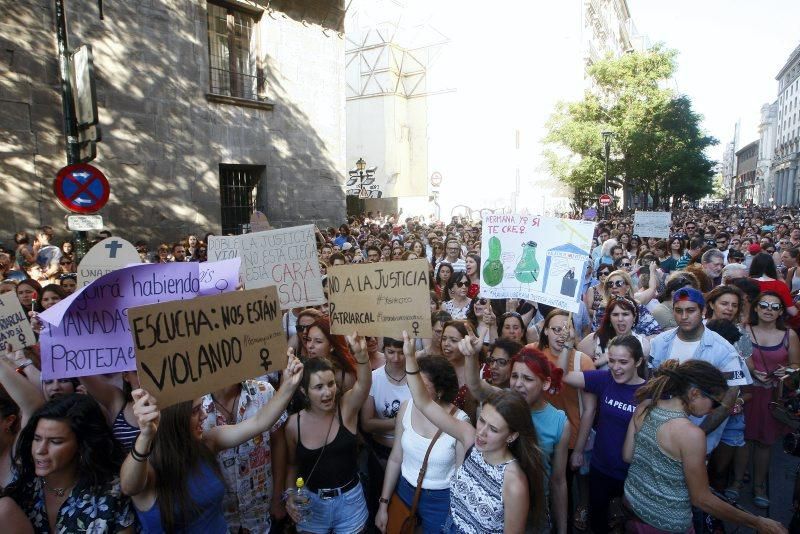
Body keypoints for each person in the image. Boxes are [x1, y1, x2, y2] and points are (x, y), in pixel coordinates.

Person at [121, 353, 304, 532]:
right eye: (194, 412)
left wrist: (289, 383)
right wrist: (145, 436)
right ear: (175, 420)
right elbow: (129, 486)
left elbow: (259, 422)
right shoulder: (149, 468)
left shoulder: (208, 443)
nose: (203, 415)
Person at [402, 331, 547, 533]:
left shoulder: (514, 483)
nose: (482, 432)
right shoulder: (469, 439)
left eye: (494, 429)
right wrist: (410, 358)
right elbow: (424, 402)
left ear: (512, 435)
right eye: (481, 421)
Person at [623, 360, 786, 534]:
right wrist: (757, 522)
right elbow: (701, 499)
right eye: (715, 403)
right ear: (694, 393)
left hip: (632, 508)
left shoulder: (645, 407)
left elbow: (627, 456)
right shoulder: (691, 434)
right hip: (666, 524)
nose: (714, 410)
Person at [6, 394, 135, 533]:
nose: (40, 450)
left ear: (82, 445)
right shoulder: (20, 492)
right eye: (37, 439)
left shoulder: (112, 493)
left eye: (55, 441)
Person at [285, 336, 372, 533]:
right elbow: (292, 464)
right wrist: (290, 495)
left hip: (350, 505)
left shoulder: (346, 409)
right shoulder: (293, 425)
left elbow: (364, 384)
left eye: (331, 384)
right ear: (304, 391)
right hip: (311, 506)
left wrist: (361, 356)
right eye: (318, 387)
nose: (327, 393)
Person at [559, 334, 645, 534]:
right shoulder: (604, 379)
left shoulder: (648, 392)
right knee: (597, 524)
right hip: (601, 469)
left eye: (623, 362)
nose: (616, 367)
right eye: (612, 361)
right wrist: (566, 347)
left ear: (639, 361)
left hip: (633, 474)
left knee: (626, 526)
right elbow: (564, 376)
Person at [649, 287, 750, 453]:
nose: (684, 316)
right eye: (678, 311)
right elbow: (653, 384)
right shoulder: (659, 342)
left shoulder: (724, 349)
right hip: (659, 432)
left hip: (698, 442)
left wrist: (698, 434)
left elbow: (727, 401)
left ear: (703, 311)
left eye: (690, 310)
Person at [375, 356, 469, 534]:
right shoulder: (406, 407)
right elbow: (395, 458)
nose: (414, 388)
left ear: (440, 390)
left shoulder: (460, 422)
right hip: (404, 492)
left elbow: (460, 477)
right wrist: (383, 504)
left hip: (440, 502)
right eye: (412, 381)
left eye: (422, 385)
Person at [200, 378, 288, 533]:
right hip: (220, 519)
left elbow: (278, 443)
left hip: (262, 512)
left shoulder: (264, 392)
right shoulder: (196, 408)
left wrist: (277, 497)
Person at [742, 291, 800, 507]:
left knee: (765, 443)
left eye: (775, 307)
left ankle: (759, 486)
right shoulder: (744, 331)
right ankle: (738, 480)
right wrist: (751, 371)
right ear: (756, 308)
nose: (769, 310)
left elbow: (796, 366)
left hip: (772, 396)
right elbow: (737, 359)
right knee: (743, 438)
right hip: (746, 393)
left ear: (781, 312)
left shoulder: (789, 335)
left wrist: (785, 371)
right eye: (764, 305)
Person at [361, 337, 411, 527]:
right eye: (391, 352)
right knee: (379, 503)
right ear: (384, 351)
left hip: (408, 454)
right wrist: (400, 421)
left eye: (401, 352)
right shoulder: (375, 378)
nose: (396, 358)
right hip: (380, 453)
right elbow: (367, 423)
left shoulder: (416, 377)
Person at [577, 296, 651, 369]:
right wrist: (596, 364)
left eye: (625, 314)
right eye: (615, 315)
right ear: (609, 318)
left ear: (634, 317)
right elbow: (576, 367)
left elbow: (644, 377)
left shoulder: (643, 345)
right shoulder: (594, 339)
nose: (620, 319)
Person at [304, 316, 357, 391]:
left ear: (331, 346)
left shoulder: (345, 378)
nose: (310, 346)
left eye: (318, 341)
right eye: (309, 340)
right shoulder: (302, 369)